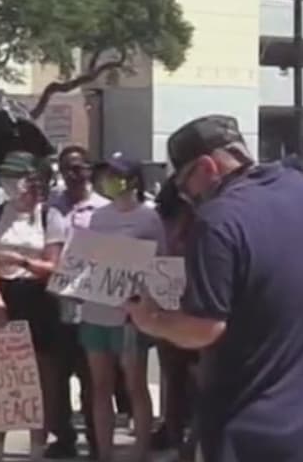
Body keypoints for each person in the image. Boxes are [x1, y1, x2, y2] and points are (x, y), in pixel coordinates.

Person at [125, 115, 303, 462]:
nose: (187, 197)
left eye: (186, 186)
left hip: (248, 429)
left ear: (207, 166)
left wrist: (151, 320)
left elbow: (204, 328)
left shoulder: (219, 219)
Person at [0, 150, 67, 462]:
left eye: (17, 178)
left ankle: (37, 444)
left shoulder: (50, 216)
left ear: (32, 180)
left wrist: (24, 261)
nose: (11, 184)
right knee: (2, 372)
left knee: (40, 375)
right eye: (6, 178)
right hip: (3, 293)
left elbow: (54, 267)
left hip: (38, 296)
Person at [79, 156, 162, 462]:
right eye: (107, 175)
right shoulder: (99, 217)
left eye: (117, 175)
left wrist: (146, 306)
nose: (109, 180)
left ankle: (140, 451)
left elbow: (161, 267)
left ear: (134, 180)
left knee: (134, 385)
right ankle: (104, 452)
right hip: (96, 311)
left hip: (131, 315)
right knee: (100, 385)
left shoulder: (149, 218)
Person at [44, 146, 107, 459]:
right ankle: (63, 436)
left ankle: (97, 439)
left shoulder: (103, 209)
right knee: (57, 375)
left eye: (78, 168)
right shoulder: (52, 207)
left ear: (89, 170)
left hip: (95, 302)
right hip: (57, 302)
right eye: (66, 168)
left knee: (92, 377)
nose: (72, 174)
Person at [150, 180, 199, 462]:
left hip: (177, 308)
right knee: (181, 378)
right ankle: (180, 440)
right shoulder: (191, 223)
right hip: (179, 306)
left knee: (178, 378)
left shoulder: (181, 224)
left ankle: (181, 440)